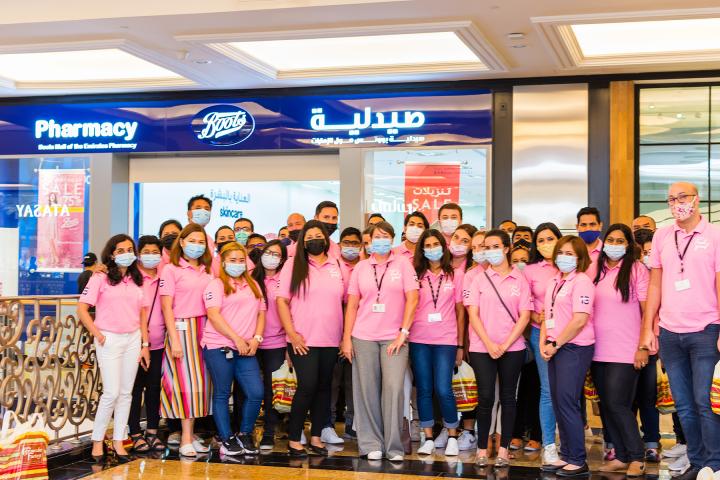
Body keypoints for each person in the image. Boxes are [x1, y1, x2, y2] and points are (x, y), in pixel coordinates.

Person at [639, 182, 720, 479]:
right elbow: (655, 285)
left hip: (706, 330)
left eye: (682, 197)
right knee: (683, 405)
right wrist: (649, 327)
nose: (677, 203)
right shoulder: (662, 235)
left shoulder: (714, 235)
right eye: (671, 199)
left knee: (704, 402)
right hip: (670, 332)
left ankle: (715, 463)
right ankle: (697, 462)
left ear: (696, 200)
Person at [342, 221, 419, 462]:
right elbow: (352, 305)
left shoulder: (403, 264)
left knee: (394, 388)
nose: (381, 240)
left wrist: (403, 333)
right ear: (370, 240)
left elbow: (413, 299)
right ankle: (370, 443)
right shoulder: (362, 267)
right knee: (366, 391)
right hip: (363, 335)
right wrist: (346, 339)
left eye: (386, 236)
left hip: (394, 338)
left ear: (393, 238)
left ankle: (393, 446)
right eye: (377, 236)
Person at [77, 234, 150, 463]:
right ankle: (97, 441)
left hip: (133, 338)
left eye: (130, 249)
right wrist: (97, 333)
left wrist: (145, 344)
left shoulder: (139, 279)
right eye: (121, 250)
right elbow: (82, 308)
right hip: (108, 338)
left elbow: (142, 314)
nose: (127, 253)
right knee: (111, 393)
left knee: (127, 393)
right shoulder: (100, 277)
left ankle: (119, 441)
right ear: (111, 254)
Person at [277, 220, 346, 457]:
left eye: (318, 235)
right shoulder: (292, 266)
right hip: (302, 339)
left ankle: (316, 436)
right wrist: (292, 334)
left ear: (326, 240)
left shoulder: (337, 265)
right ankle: (295, 438)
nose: (314, 239)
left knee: (324, 388)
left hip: (330, 339)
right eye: (309, 236)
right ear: (302, 242)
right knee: (306, 387)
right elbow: (282, 302)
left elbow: (347, 300)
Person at [466, 229, 532, 468]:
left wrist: (505, 344)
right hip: (482, 347)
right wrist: (489, 344)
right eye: (486, 247)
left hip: (512, 348)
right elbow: (472, 314)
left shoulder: (520, 279)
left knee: (508, 398)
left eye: (495, 246)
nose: (490, 251)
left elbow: (525, 316)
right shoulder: (477, 279)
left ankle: (503, 451)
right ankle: (482, 450)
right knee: (485, 398)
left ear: (506, 249)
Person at [591, 224, 648, 476]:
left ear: (628, 245)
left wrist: (643, 346)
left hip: (626, 350)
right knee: (606, 404)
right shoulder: (595, 270)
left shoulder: (637, 270)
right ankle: (622, 456)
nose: (614, 244)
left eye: (619, 240)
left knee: (618, 403)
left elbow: (648, 311)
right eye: (610, 240)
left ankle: (637, 456)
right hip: (596, 350)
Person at [203, 242, 265, 456]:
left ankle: (245, 434)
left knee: (256, 392)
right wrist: (236, 339)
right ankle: (227, 438)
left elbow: (261, 313)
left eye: (241, 260)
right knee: (222, 393)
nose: (238, 264)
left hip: (247, 348)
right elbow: (213, 315)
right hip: (219, 346)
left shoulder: (253, 285)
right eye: (233, 260)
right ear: (223, 262)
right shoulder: (216, 285)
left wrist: (256, 338)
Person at [540, 235, 595, 477]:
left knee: (568, 401)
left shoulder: (582, 281)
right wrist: (544, 342)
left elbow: (579, 320)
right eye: (561, 252)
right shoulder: (554, 281)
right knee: (558, 401)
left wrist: (556, 343)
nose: (563, 257)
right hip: (555, 346)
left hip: (574, 347)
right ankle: (567, 454)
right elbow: (547, 314)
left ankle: (578, 459)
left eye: (570, 253)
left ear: (580, 258)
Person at [159, 223, 213, 457]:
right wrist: (175, 339)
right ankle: (185, 438)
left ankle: (191, 435)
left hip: (206, 328)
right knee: (185, 385)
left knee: (202, 385)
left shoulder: (208, 269)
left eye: (201, 242)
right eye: (192, 240)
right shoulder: (171, 269)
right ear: (181, 242)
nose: (197, 246)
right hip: (182, 329)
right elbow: (166, 306)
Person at [410, 229, 465, 457]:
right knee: (423, 389)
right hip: (418, 339)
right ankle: (429, 437)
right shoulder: (415, 274)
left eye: (436, 244)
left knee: (443, 389)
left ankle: (452, 435)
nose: (432, 248)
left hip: (446, 340)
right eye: (428, 244)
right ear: (422, 249)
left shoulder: (456, 274)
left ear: (444, 246)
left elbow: (461, 312)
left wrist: (461, 345)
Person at [523, 222, 562, 466]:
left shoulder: (573, 265)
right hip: (541, 335)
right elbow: (524, 303)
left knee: (569, 392)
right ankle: (549, 444)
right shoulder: (530, 270)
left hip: (571, 336)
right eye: (541, 240)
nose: (546, 244)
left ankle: (569, 442)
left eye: (550, 239)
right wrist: (537, 316)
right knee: (547, 390)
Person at [128, 236, 167, 453]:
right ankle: (134, 432)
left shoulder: (165, 276)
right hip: (134, 342)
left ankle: (152, 431)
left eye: (155, 251)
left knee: (154, 389)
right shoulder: (132, 276)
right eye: (146, 251)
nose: (151, 255)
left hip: (159, 343)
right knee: (134, 389)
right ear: (138, 253)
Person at [250, 239, 288, 449]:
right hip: (251, 341)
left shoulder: (286, 279)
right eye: (268, 252)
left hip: (277, 341)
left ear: (282, 259)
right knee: (248, 389)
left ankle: (269, 431)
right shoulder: (250, 278)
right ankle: (244, 429)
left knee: (271, 390)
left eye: (276, 254)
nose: (271, 257)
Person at [632, 228, 662, 464]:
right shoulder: (637, 274)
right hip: (633, 343)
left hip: (658, 344)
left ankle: (652, 442)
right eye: (646, 252)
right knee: (629, 398)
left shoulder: (666, 274)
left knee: (649, 397)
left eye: (653, 251)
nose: (649, 256)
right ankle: (627, 442)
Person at [576, 207, 603, 278]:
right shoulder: (572, 252)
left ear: (600, 226)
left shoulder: (607, 252)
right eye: (583, 225)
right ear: (577, 227)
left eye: (592, 224)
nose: (588, 229)